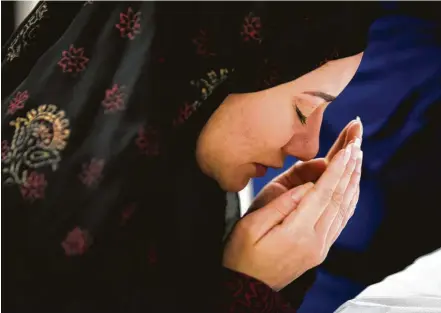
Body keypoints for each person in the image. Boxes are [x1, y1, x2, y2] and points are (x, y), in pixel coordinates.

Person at [2, 2, 375, 313]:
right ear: (212, 71)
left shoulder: (173, 201)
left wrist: (258, 263)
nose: (308, 148)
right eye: (302, 111)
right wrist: (246, 290)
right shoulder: (29, 217)